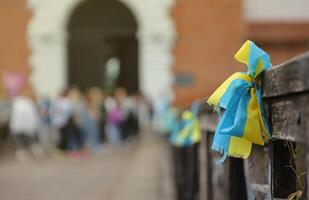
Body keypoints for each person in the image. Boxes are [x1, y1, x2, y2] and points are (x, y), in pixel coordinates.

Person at [9, 90, 40, 161]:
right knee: (31, 140)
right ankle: (35, 152)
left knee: (20, 141)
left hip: (17, 126)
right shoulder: (29, 103)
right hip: (28, 126)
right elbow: (33, 115)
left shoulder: (16, 103)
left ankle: (22, 155)